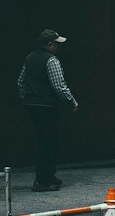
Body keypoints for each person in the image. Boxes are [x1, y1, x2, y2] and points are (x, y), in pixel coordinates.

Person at [17, 29, 79, 192]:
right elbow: (58, 85)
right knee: (49, 143)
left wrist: (28, 98)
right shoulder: (51, 60)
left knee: (43, 140)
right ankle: (43, 181)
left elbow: (20, 82)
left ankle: (49, 175)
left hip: (32, 105)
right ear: (50, 44)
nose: (58, 47)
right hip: (47, 106)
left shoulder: (29, 58)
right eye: (56, 44)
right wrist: (71, 101)